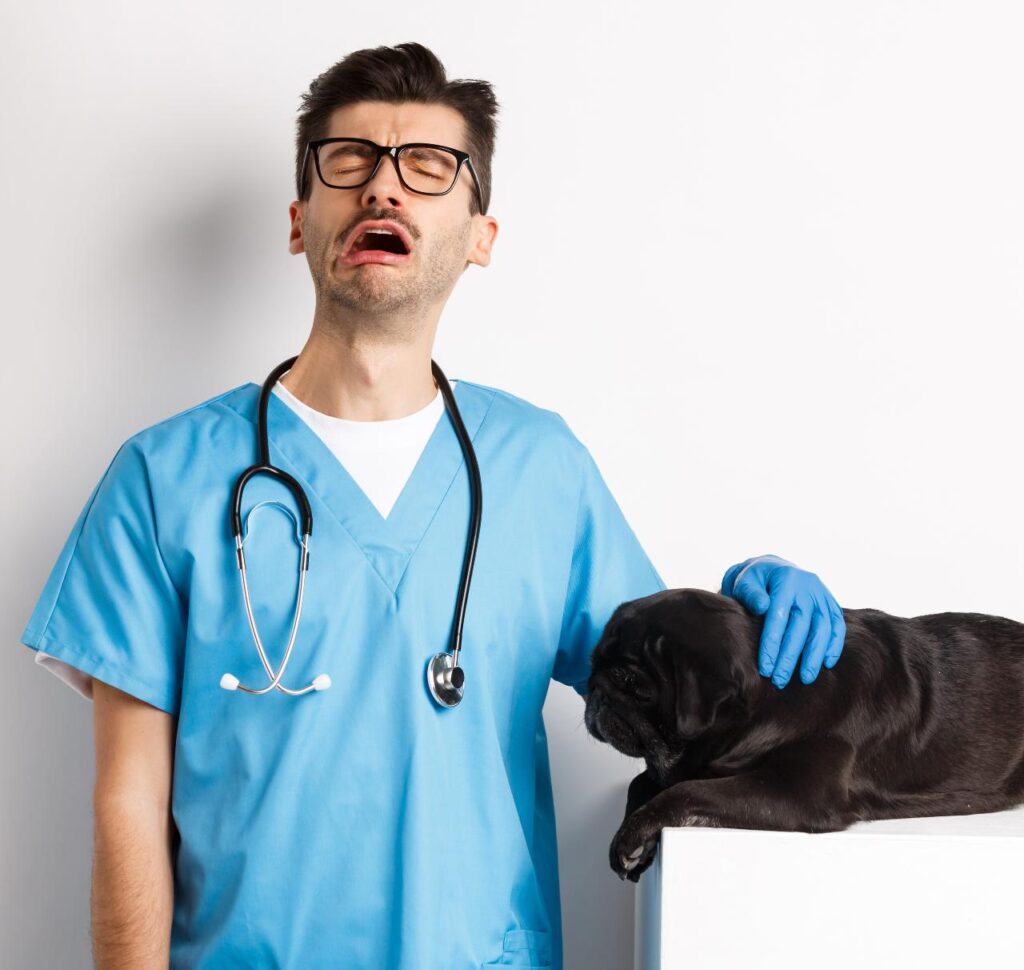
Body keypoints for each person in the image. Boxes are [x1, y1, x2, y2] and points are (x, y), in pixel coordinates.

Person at [19, 42, 846, 970]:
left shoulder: (543, 471)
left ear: (480, 235)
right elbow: (126, 802)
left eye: (427, 166)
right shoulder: (162, 480)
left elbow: (683, 701)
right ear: (300, 221)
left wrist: (750, 620)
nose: (383, 188)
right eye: (350, 160)